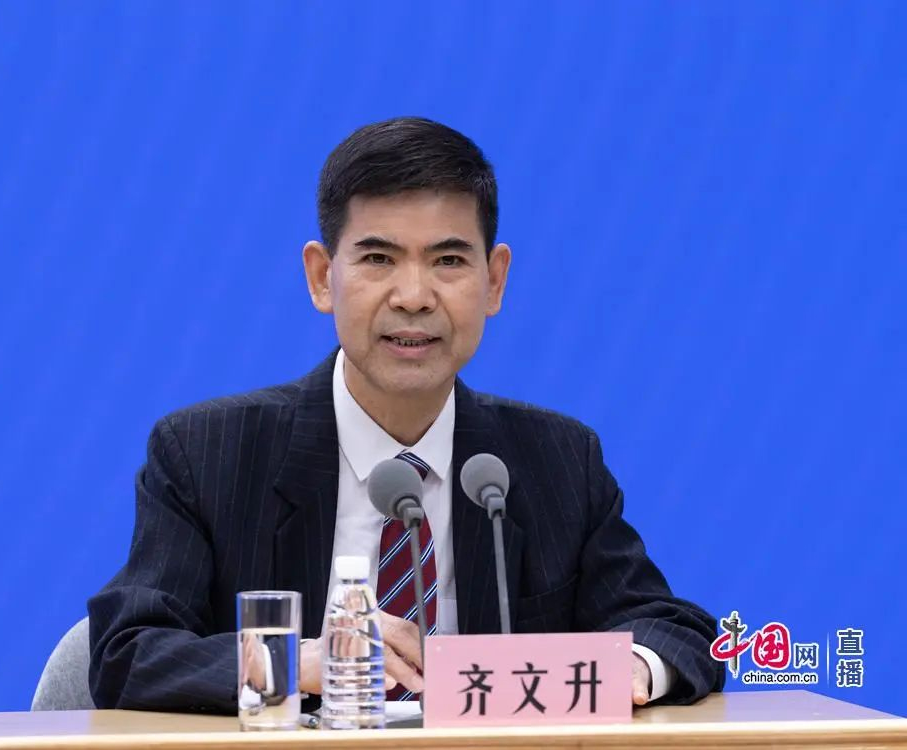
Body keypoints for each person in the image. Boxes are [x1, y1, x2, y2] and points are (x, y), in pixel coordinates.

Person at [87, 116, 725, 713]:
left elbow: (672, 630)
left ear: (494, 280)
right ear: (321, 277)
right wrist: (293, 662)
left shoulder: (556, 461)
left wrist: (626, 670)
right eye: (378, 259)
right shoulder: (209, 454)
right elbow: (128, 653)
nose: (415, 297)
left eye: (448, 261)